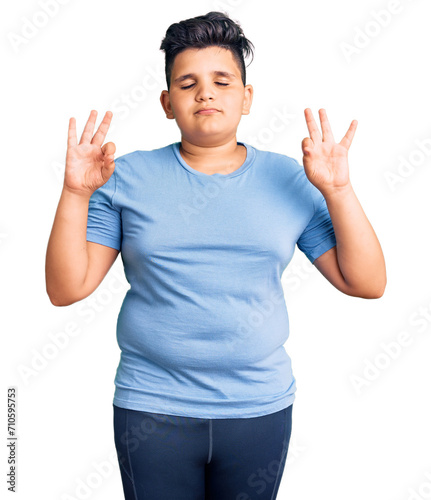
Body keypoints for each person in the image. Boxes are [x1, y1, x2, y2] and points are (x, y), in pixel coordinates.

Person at [45, 10, 386, 500]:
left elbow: (367, 283)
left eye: (222, 81)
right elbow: (66, 289)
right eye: (188, 83)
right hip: (152, 408)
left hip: (259, 409)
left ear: (247, 98)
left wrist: (340, 191)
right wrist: (75, 195)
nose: (205, 92)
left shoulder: (292, 177)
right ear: (167, 103)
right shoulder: (123, 177)